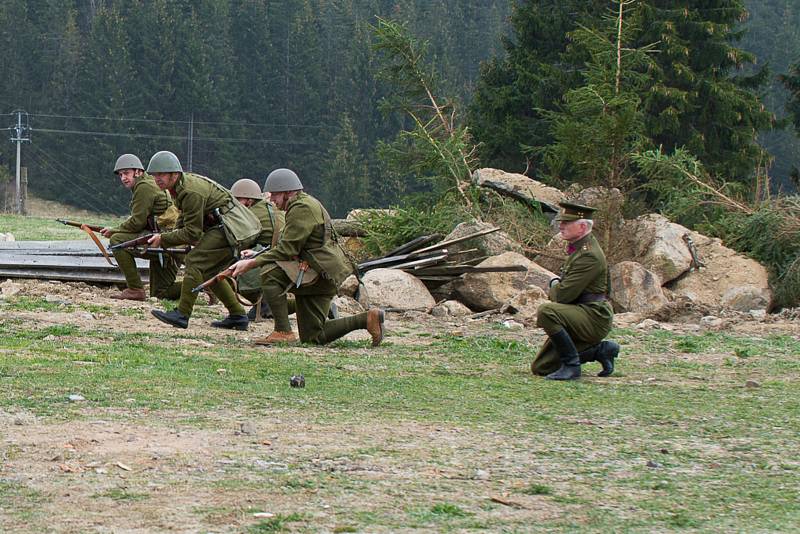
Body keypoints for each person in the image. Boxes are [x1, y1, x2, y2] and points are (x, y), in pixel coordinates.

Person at [229, 168, 384, 346]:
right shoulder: (302, 204)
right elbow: (291, 245)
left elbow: (286, 249)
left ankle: (282, 331)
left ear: (288, 192)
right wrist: (257, 254)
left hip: (320, 274)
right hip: (321, 273)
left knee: (270, 273)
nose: (271, 200)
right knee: (314, 337)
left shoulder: (301, 208)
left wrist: (251, 263)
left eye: (275, 195)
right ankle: (368, 319)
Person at [146, 151, 261, 330]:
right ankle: (238, 315)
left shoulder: (190, 191)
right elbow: (185, 218)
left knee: (195, 261)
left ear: (174, 174)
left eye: (161, 174)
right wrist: (171, 234)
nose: (157, 179)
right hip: (229, 227)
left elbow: (193, 233)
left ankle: (182, 314)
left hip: (232, 228)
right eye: (154, 175)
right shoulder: (179, 188)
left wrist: (163, 239)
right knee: (209, 270)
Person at [531, 202, 619, 380]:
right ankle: (600, 351)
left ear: (582, 227)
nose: (561, 226)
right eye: (562, 221)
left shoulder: (588, 255)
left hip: (593, 316)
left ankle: (572, 367)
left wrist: (554, 284)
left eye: (567, 223)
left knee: (547, 311)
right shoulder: (580, 248)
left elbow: (562, 296)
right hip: (580, 312)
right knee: (541, 367)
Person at [101, 153, 179, 301]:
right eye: (120, 174)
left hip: (165, 242)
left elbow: (137, 222)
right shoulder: (148, 183)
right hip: (167, 241)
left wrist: (114, 230)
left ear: (138, 172)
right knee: (161, 293)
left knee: (118, 241)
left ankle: (135, 289)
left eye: (126, 173)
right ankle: (205, 286)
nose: (123, 178)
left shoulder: (144, 187)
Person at [227, 178, 284, 321]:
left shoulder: (251, 214)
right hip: (279, 254)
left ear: (248, 200)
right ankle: (263, 306)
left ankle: (260, 306)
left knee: (232, 265)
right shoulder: (269, 208)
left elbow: (238, 238)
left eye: (238, 200)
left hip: (268, 256)